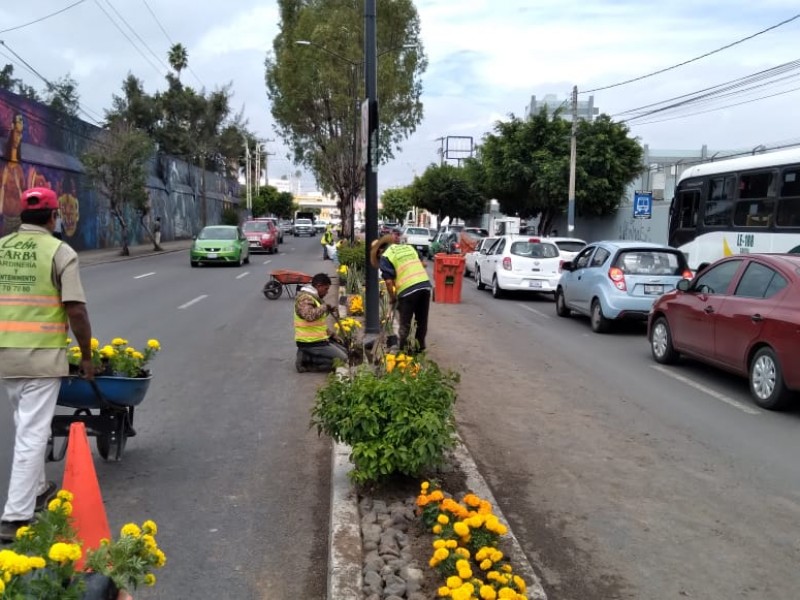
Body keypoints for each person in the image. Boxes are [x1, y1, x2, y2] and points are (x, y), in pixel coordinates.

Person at [0, 187, 95, 543]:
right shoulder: (60, 251)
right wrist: (86, 356)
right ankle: (15, 515)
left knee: (23, 422)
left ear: (20, 217)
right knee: (32, 432)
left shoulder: (2, 248)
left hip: (6, 353)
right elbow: (76, 309)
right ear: (54, 217)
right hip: (41, 354)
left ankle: (39, 487)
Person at [371, 234, 432, 354]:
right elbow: (423, 263)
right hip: (425, 286)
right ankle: (419, 349)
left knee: (405, 322)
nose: (379, 259)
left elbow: (388, 282)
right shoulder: (408, 247)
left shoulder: (386, 256)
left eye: (378, 256)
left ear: (380, 250)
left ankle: (403, 352)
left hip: (407, 289)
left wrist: (393, 298)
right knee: (422, 320)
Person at [294, 273, 348, 372]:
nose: (327, 292)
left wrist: (332, 335)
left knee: (345, 352)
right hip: (311, 342)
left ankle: (307, 356)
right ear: (319, 286)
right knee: (342, 360)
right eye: (326, 289)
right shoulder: (305, 298)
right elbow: (309, 316)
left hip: (318, 340)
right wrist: (324, 307)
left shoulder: (315, 298)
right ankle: (307, 360)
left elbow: (317, 325)